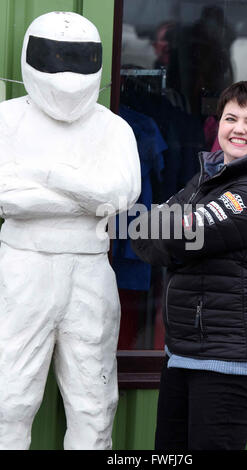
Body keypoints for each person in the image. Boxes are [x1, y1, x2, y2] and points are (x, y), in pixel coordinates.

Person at [0, 12, 140, 450]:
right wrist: (87, 196)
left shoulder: (114, 128)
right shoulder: (6, 121)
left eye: (80, 59)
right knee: (10, 398)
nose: (67, 72)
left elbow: (120, 199)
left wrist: (50, 174)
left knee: (94, 404)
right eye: (56, 56)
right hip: (24, 267)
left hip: (90, 272)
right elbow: (8, 198)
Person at [131, 80, 247, 450]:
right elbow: (143, 231)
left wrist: (172, 233)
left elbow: (177, 236)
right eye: (231, 118)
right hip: (186, 351)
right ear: (217, 123)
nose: (239, 129)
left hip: (230, 358)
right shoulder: (209, 176)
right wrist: (171, 232)